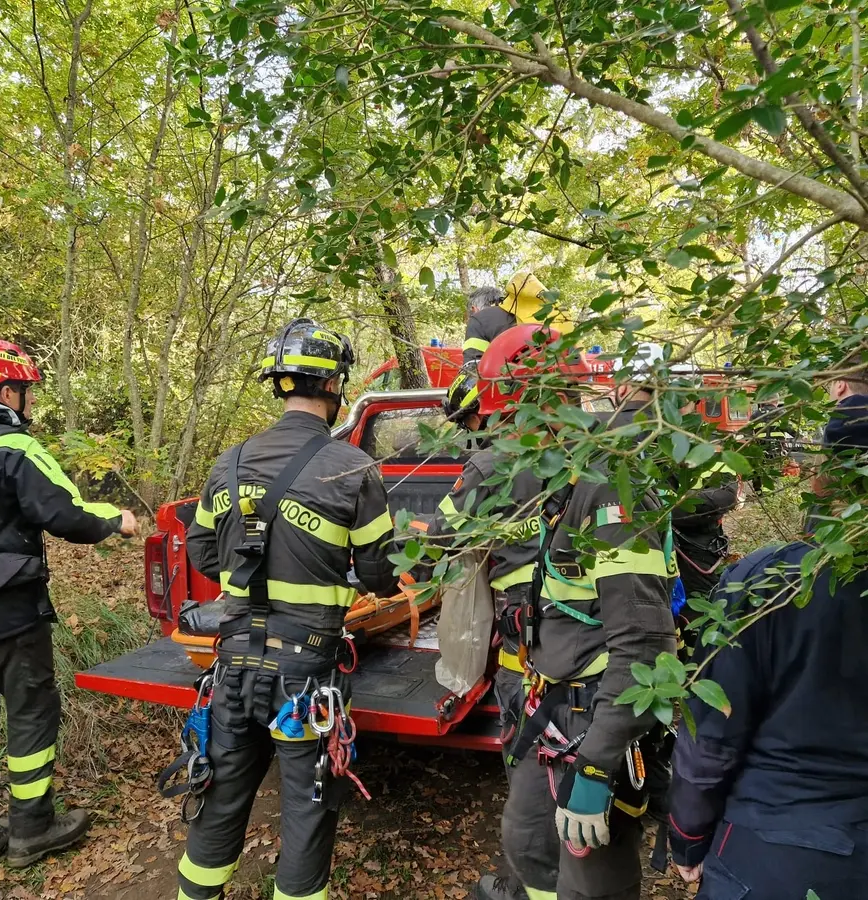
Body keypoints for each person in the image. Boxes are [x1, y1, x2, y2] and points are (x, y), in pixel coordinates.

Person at [178, 318, 400, 900]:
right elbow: (380, 572)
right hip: (304, 676)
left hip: (230, 668)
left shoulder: (227, 462)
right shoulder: (352, 468)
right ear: (335, 386)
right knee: (306, 805)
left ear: (281, 384)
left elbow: (203, 551)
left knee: (221, 792)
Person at [500, 335, 677, 900]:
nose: (507, 436)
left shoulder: (609, 494)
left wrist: (599, 766)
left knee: (591, 879)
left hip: (596, 715)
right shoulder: (566, 481)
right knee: (528, 842)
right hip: (553, 705)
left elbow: (645, 647)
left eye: (513, 416)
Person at [667, 401, 868, 899]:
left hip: (775, 847)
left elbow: (712, 733)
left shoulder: (769, 582)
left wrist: (687, 836)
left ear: (830, 473)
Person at [0, 339, 137, 887]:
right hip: (10, 616)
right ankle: (31, 828)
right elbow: (69, 514)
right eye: (27, 391)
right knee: (30, 714)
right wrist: (117, 520)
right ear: (7, 391)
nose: (30, 402)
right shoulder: (15, 448)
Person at [429, 350, 560, 900]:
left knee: (529, 774)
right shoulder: (597, 449)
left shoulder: (490, 467)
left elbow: (437, 539)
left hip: (530, 657)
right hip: (602, 654)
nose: (470, 435)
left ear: (493, 407)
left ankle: (525, 885)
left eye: (472, 423)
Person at [612, 346, 740, 604]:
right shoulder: (677, 437)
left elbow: (725, 495)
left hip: (689, 556)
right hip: (672, 557)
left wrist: (662, 508)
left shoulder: (703, 441)